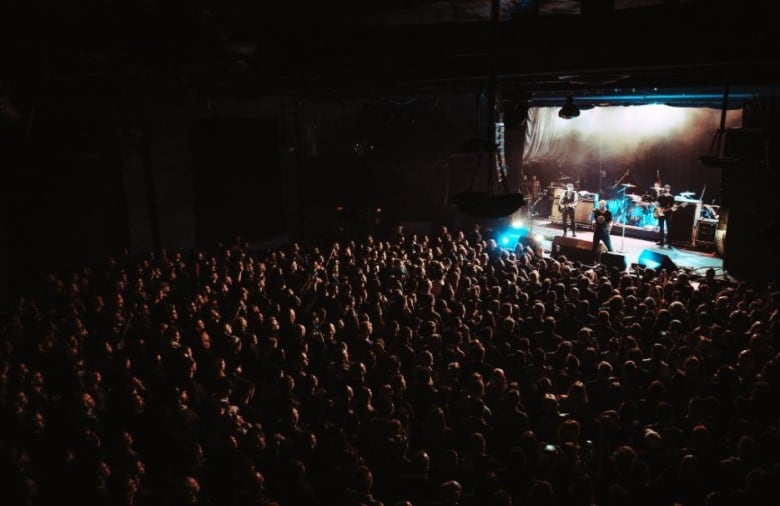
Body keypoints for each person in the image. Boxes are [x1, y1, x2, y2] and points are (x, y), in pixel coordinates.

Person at [655, 184, 676, 248]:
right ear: (663, 188)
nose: (666, 189)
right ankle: (661, 241)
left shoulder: (671, 197)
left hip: (668, 213)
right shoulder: (660, 196)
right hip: (661, 213)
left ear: (669, 189)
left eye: (667, 188)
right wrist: (659, 211)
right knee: (661, 227)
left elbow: (674, 206)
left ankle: (669, 243)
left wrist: (674, 208)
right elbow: (657, 204)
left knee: (669, 228)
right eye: (665, 188)